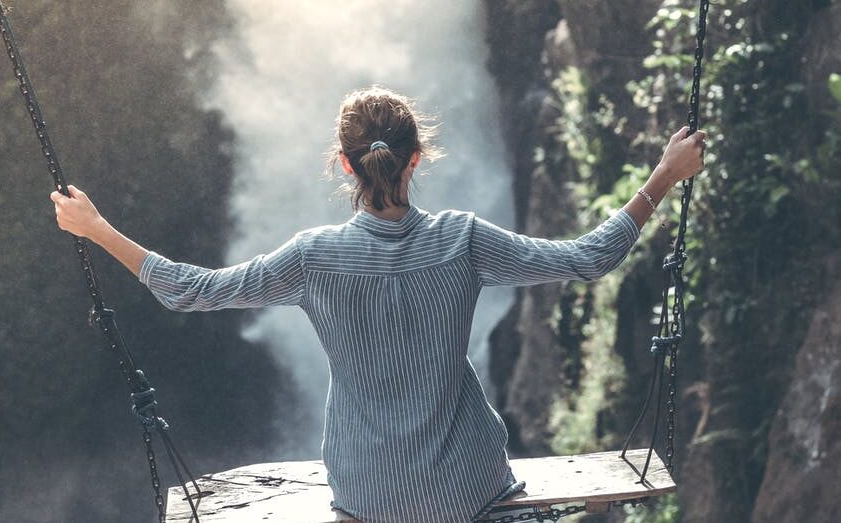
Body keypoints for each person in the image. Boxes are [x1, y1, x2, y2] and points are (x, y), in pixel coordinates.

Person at [50, 86, 706, 523]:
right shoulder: (462, 240)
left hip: (366, 495)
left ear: (343, 165)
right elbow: (589, 257)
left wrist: (97, 228)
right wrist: (663, 177)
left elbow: (189, 288)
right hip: (465, 489)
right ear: (416, 159)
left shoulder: (312, 256)